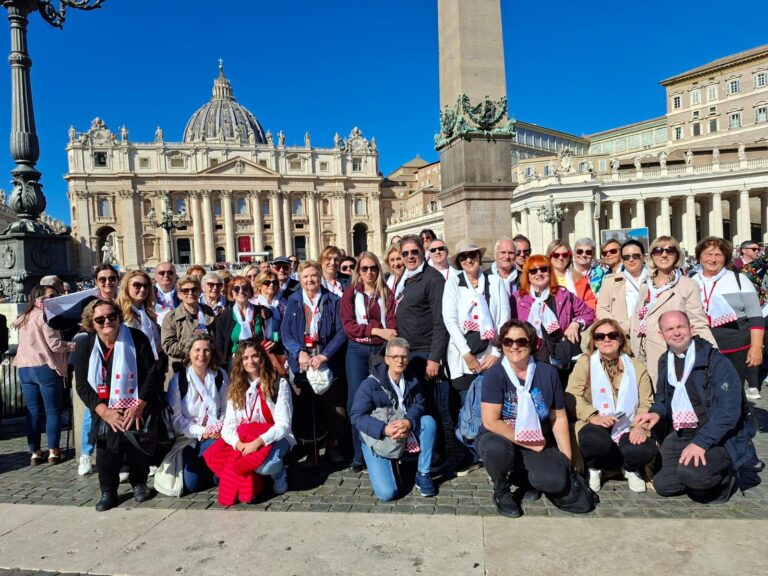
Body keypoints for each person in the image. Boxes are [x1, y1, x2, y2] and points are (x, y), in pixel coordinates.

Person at [634, 311, 752, 503]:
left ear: (691, 329)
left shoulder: (715, 361)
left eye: (681, 327)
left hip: (717, 436)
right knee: (664, 485)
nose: (676, 333)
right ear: (661, 334)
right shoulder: (666, 361)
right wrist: (656, 413)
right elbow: (663, 398)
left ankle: (724, 476)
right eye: (670, 329)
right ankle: (693, 474)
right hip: (682, 432)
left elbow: (729, 412)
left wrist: (702, 442)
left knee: (695, 477)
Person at [476, 319, 572, 518]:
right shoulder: (495, 375)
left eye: (521, 341)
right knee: (496, 449)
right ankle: (501, 490)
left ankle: (525, 477)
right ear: (501, 345)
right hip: (501, 436)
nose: (514, 346)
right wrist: (529, 442)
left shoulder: (548, 373)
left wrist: (567, 460)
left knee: (555, 481)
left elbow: (558, 418)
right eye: (508, 341)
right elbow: (491, 421)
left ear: (532, 343)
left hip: (537, 436)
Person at [73, 299, 162, 511]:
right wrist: (104, 412)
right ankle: (108, 491)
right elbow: (82, 385)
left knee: (136, 447)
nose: (107, 321)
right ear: (92, 322)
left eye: (112, 316)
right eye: (100, 319)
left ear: (119, 317)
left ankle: (139, 483)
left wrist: (140, 404)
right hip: (105, 408)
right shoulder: (85, 345)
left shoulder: (137, 338)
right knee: (107, 450)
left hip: (135, 404)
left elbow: (152, 373)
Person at [443, 240, 510, 473]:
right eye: (464, 257)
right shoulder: (453, 284)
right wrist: (467, 354)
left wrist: (496, 352)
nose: (469, 260)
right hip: (464, 356)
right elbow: (450, 320)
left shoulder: (495, 282)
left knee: (492, 407)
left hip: (491, 354)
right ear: (459, 262)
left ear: (479, 258)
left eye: (472, 255)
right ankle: (470, 453)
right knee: (465, 408)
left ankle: (491, 453)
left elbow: (503, 319)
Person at [565, 319, 656, 493]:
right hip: (594, 423)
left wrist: (640, 426)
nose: (606, 339)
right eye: (600, 336)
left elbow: (646, 402)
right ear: (594, 341)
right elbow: (571, 396)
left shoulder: (636, 367)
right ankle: (594, 467)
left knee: (643, 447)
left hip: (627, 424)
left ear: (620, 339)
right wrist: (592, 416)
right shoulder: (585, 363)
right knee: (594, 439)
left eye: (612, 335)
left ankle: (630, 468)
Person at [208, 339, 294, 503]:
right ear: (239, 362)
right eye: (245, 358)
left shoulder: (278, 383)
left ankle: (279, 473)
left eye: (254, 356)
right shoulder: (236, 387)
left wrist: (257, 443)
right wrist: (239, 445)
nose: (250, 361)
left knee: (265, 466)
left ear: (262, 357)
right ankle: (257, 479)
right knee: (221, 470)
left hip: (275, 438)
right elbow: (228, 427)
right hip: (246, 440)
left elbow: (283, 425)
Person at [350, 337, 437, 500]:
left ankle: (423, 474)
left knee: (428, 423)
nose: (400, 360)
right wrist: (384, 429)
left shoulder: (412, 379)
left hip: (403, 429)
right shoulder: (370, 384)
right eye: (395, 357)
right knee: (387, 494)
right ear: (387, 359)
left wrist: (409, 421)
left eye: (404, 356)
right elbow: (357, 416)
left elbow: (419, 404)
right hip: (378, 436)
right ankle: (385, 459)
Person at [281, 260, 347, 463]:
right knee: (307, 405)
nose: (310, 280)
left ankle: (332, 445)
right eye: (305, 276)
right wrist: (299, 353)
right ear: (299, 279)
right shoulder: (293, 300)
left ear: (320, 277)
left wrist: (324, 355)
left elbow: (342, 332)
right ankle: (311, 447)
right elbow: (286, 333)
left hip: (326, 356)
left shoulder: (333, 300)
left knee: (332, 405)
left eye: (314, 275)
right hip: (302, 359)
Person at [628, 236, 715, 387]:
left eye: (670, 250)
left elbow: (697, 322)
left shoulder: (687, 285)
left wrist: (714, 355)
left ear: (677, 255)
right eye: (658, 250)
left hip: (668, 353)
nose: (664, 254)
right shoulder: (645, 284)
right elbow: (637, 318)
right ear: (651, 255)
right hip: (641, 353)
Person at [340, 251, 397, 471]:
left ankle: (384, 447)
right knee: (356, 401)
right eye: (364, 268)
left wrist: (382, 334)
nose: (369, 272)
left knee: (383, 398)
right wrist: (376, 330)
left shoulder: (386, 293)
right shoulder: (350, 294)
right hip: (357, 350)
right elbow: (349, 327)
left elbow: (392, 326)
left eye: (373, 268)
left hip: (381, 350)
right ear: (358, 272)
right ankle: (359, 453)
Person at [13, 285, 77, 465]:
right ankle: (53, 451)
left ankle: (35, 452)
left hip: (24, 368)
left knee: (33, 413)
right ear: (38, 298)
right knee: (52, 411)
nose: (54, 298)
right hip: (44, 367)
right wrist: (73, 345)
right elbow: (55, 345)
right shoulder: (45, 317)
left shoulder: (24, 317)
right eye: (51, 296)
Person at [693, 237, 763, 398]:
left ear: (725, 257)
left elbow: (755, 316)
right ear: (699, 257)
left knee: (732, 392)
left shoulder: (739, 280)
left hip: (735, 349)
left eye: (718, 254)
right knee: (704, 392)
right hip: (700, 348)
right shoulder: (691, 280)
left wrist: (757, 347)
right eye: (708, 254)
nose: (712, 259)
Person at [512, 254, 594, 384]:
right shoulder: (517, 298)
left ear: (550, 272)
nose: (539, 273)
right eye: (533, 271)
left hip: (558, 355)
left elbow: (589, 313)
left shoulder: (563, 294)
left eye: (543, 269)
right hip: (530, 355)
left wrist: (575, 323)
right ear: (527, 275)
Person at [164, 334, 229, 494]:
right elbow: (176, 419)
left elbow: (227, 408)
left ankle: (215, 469)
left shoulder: (220, 375)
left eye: (206, 350)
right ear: (189, 353)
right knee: (191, 485)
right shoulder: (179, 380)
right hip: (189, 438)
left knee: (218, 472)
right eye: (197, 350)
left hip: (216, 436)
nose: (202, 354)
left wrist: (218, 427)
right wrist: (203, 432)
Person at [214, 276, 272, 370]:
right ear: (232, 294)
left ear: (250, 292)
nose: (241, 291)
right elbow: (220, 345)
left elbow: (273, 334)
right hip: (235, 363)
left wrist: (273, 341)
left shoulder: (263, 312)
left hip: (258, 360)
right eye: (236, 289)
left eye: (245, 288)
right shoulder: (225, 316)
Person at [161, 275, 215, 375]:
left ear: (199, 292)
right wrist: (193, 341)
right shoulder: (171, 318)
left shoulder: (208, 312)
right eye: (185, 291)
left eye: (194, 289)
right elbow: (168, 346)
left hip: (207, 368)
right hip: (182, 369)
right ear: (179, 295)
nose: (190, 293)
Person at [596, 239, 648, 334]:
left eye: (635, 256)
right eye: (626, 257)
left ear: (643, 257)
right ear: (622, 259)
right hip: (622, 335)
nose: (631, 259)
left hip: (650, 334)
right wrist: (617, 327)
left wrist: (629, 324)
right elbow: (601, 309)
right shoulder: (609, 281)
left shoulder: (655, 280)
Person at [117, 270, 161, 362]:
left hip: (153, 362)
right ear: (126, 287)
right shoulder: (118, 312)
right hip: (130, 362)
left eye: (146, 285)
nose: (142, 289)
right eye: (137, 285)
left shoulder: (150, 311)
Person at [546, 239, 597, 310]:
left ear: (570, 256)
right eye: (556, 255)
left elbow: (590, 303)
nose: (560, 258)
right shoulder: (540, 279)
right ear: (549, 257)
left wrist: (581, 320)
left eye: (565, 255)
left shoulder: (580, 279)